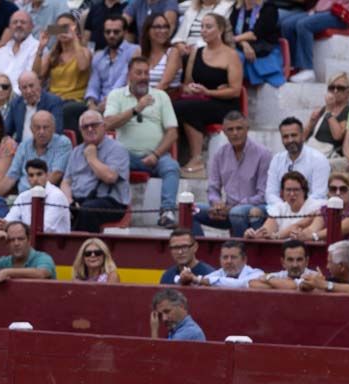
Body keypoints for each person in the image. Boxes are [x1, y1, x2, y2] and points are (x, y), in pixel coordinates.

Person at [104, 56, 179, 228]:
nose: (144, 77)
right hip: (125, 156)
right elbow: (108, 123)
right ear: (129, 74)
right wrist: (136, 109)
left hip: (155, 155)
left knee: (171, 167)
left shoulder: (161, 96)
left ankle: (167, 212)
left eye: (146, 73)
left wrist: (156, 154)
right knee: (109, 163)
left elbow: (172, 132)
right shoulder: (116, 95)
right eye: (139, 73)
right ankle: (116, 213)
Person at [171, 13, 242, 176]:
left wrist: (209, 91)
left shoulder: (231, 55)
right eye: (202, 27)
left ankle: (196, 159)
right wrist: (191, 89)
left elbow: (235, 90)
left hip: (225, 104)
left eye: (208, 27)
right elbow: (186, 83)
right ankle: (195, 160)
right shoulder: (196, 52)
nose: (203, 31)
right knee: (183, 107)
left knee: (183, 108)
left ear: (220, 30)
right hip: (200, 100)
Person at [193, 111, 269, 236]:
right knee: (190, 210)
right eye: (230, 129)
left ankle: (239, 251)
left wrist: (234, 207)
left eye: (239, 128)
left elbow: (263, 195)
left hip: (254, 210)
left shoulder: (263, 154)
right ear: (224, 132)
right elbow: (213, 188)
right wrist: (216, 203)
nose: (235, 133)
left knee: (237, 213)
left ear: (247, 129)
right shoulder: (220, 155)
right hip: (227, 210)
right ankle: (199, 250)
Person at [63, 109, 130, 233]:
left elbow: (110, 177)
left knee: (87, 210)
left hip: (109, 202)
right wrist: (69, 201)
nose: (89, 129)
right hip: (78, 201)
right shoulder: (76, 151)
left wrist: (92, 158)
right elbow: (66, 182)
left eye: (94, 125)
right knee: (55, 207)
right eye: (85, 127)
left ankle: (83, 246)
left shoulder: (117, 149)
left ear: (103, 126)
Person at [32, 13, 90, 134]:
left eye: (67, 27)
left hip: (74, 100)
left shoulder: (84, 51)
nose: (63, 31)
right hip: (54, 99)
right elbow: (37, 75)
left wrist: (74, 38)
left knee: (63, 110)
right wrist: (41, 48)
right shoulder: (53, 54)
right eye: (59, 28)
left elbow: (83, 66)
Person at [279, 0, 349, 82]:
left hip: (342, 13)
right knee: (287, 25)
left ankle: (307, 69)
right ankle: (293, 67)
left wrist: (317, 10)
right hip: (323, 10)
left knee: (304, 25)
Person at [0, 220, 55, 289]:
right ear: (6, 243)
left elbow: (41, 273)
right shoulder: (4, 262)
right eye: (11, 240)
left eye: (21, 239)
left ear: (29, 240)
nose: (16, 243)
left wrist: (7, 272)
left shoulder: (42, 257)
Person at [265, 116, 330, 206]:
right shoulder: (277, 160)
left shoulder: (318, 159)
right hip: (281, 212)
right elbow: (271, 193)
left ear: (303, 135)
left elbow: (319, 195)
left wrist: (296, 209)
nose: (290, 140)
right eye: (285, 137)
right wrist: (284, 209)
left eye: (294, 135)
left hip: (310, 211)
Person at [0, 158, 71, 233]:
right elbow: (10, 219)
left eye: (39, 174)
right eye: (31, 175)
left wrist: (15, 226)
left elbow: (45, 228)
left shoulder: (57, 196)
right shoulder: (23, 197)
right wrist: (3, 223)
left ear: (47, 175)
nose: (35, 179)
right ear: (27, 178)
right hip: (27, 240)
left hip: (55, 242)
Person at [4, 110, 68, 194]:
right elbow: (11, 177)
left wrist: (32, 195)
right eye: (37, 127)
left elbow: (56, 174)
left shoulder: (62, 143)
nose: (41, 132)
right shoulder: (24, 146)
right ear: (31, 129)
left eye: (46, 127)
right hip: (21, 196)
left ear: (53, 128)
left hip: (46, 196)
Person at [247, 170, 323, 241]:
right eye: (288, 190)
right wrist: (253, 234)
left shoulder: (316, 207)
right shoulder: (279, 208)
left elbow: (302, 229)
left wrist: (276, 236)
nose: (292, 194)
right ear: (282, 192)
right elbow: (265, 232)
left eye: (296, 190)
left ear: (304, 191)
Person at [85, 16, 137, 113]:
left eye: (116, 32)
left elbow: (124, 81)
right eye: (108, 32)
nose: (111, 35)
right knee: (73, 110)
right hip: (100, 105)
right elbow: (93, 86)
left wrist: (108, 101)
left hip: (123, 102)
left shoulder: (134, 51)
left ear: (125, 32)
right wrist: (91, 103)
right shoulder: (98, 57)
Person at [229, 0, 281, 88]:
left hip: (262, 50)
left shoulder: (269, 8)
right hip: (240, 46)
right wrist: (243, 44)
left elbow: (255, 34)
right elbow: (231, 30)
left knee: (235, 56)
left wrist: (233, 39)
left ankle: (232, 89)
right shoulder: (237, 7)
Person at [4, 70, 62, 144]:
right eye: (24, 88)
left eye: (31, 86)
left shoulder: (53, 101)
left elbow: (56, 131)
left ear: (39, 84)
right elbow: (6, 131)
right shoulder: (16, 103)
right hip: (21, 149)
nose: (28, 91)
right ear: (20, 89)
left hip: (45, 148)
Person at [179, 239, 264, 288]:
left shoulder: (257, 274)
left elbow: (238, 284)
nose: (228, 261)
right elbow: (199, 284)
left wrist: (197, 279)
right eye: (225, 257)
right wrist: (186, 280)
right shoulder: (217, 274)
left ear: (244, 260)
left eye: (233, 257)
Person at [305, 72, 349, 158]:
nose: (335, 91)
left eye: (340, 88)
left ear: (348, 91)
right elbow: (303, 137)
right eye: (331, 87)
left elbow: (338, 136)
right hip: (313, 151)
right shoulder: (323, 109)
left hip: (330, 155)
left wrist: (329, 112)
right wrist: (311, 123)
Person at [248, 238, 321, 290]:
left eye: (299, 260)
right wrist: (281, 285)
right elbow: (252, 283)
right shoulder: (279, 275)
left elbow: (294, 286)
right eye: (290, 260)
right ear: (283, 262)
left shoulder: (314, 276)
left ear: (307, 261)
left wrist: (269, 280)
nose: (294, 265)